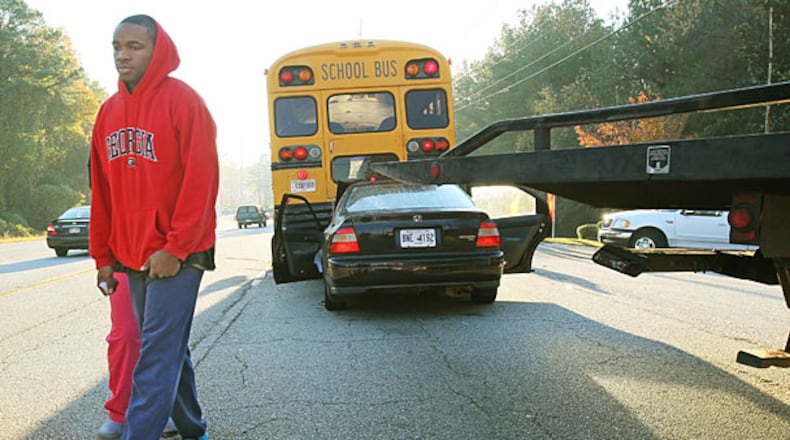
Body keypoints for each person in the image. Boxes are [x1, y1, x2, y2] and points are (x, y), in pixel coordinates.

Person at [89, 14, 218, 440]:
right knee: (167, 350)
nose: (122, 55)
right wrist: (103, 257)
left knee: (155, 355)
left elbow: (201, 183)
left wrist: (177, 247)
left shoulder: (184, 103)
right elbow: (102, 193)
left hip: (180, 254)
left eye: (134, 46)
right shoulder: (108, 113)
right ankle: (193, 427)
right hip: (131, 255)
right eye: (116, 46)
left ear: (156, 48)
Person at [95, 271, 178, 440]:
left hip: (166, 257)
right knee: (126, 333)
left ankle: (163, 410)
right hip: (124, 259)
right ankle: (121, 412)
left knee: (163, 335)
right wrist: (103, 261)